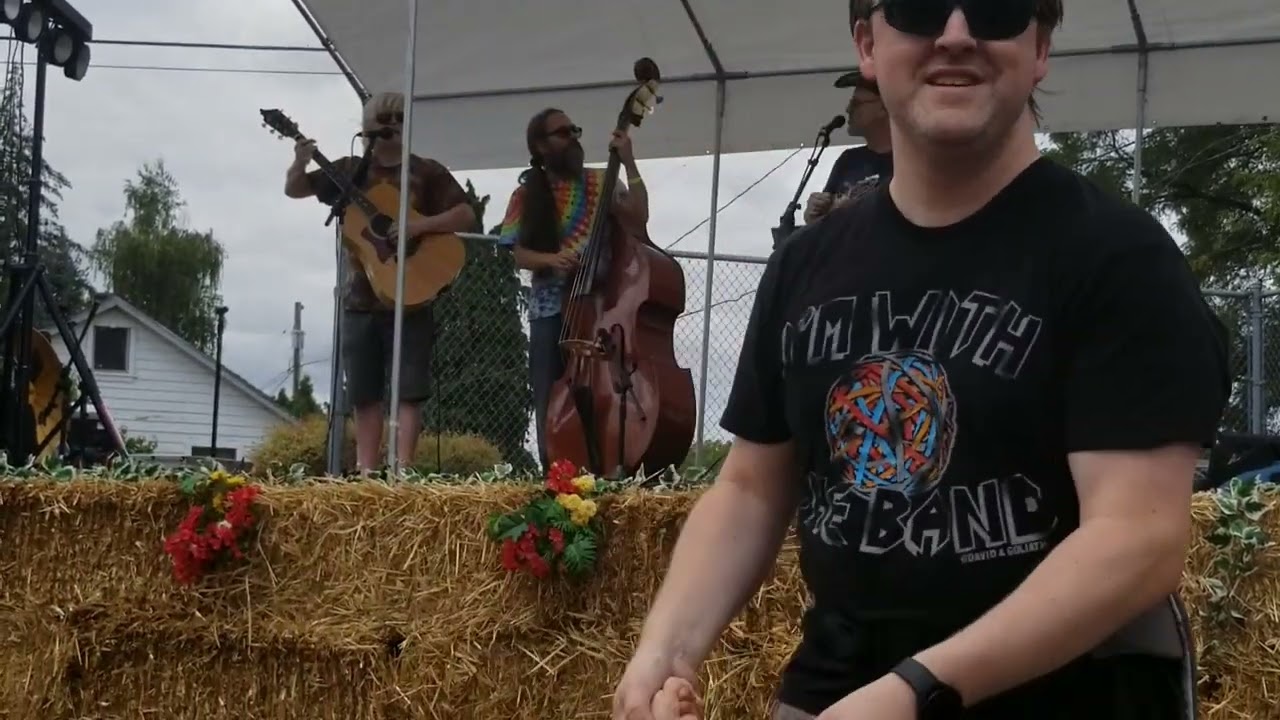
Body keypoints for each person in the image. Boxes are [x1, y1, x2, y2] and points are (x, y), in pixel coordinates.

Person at [615, 1, 1230, 719]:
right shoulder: (805, 266)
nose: (956, 34)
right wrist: (664, 653)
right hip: (838, 689)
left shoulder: (1120, 259)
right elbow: (751, 488)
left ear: (1039, 48)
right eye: (918, 5)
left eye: (997, 7)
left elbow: (1137, 537)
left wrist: (916, 692)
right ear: (868, 45)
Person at [284, 91, 475, 473]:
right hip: (361, 298)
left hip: (412, 294)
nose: (393, 125)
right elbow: (296, 189)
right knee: (363, 391)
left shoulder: (426, 171)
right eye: (385, 119)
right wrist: (299, 161)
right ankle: (368, 471)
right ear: (368, 126)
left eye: (400, 118)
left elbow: (465, 214)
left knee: (409, 390)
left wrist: (417, 226)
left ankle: (403, 470)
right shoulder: (350, 171)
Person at [497, 108, 649, 471]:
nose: (573, 138)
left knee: (603, 391)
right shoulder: (525, 195)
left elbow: (639, 217)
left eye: (574, 130)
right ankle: (556, 473)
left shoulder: (601, 181)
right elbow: (516, 254)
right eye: (563, 133)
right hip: (550, 311)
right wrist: (552, 259)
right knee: (551, 396)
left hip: (602, 309)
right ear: (540, 145)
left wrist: (629, 163)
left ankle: (606, 465)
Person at [803, 69, 893, 225]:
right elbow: (827, 219)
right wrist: (814, 217)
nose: (848, 109)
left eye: (856, 103)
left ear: (884, 107)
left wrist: (851, 211)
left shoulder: (915, 162)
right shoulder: (849, 159)